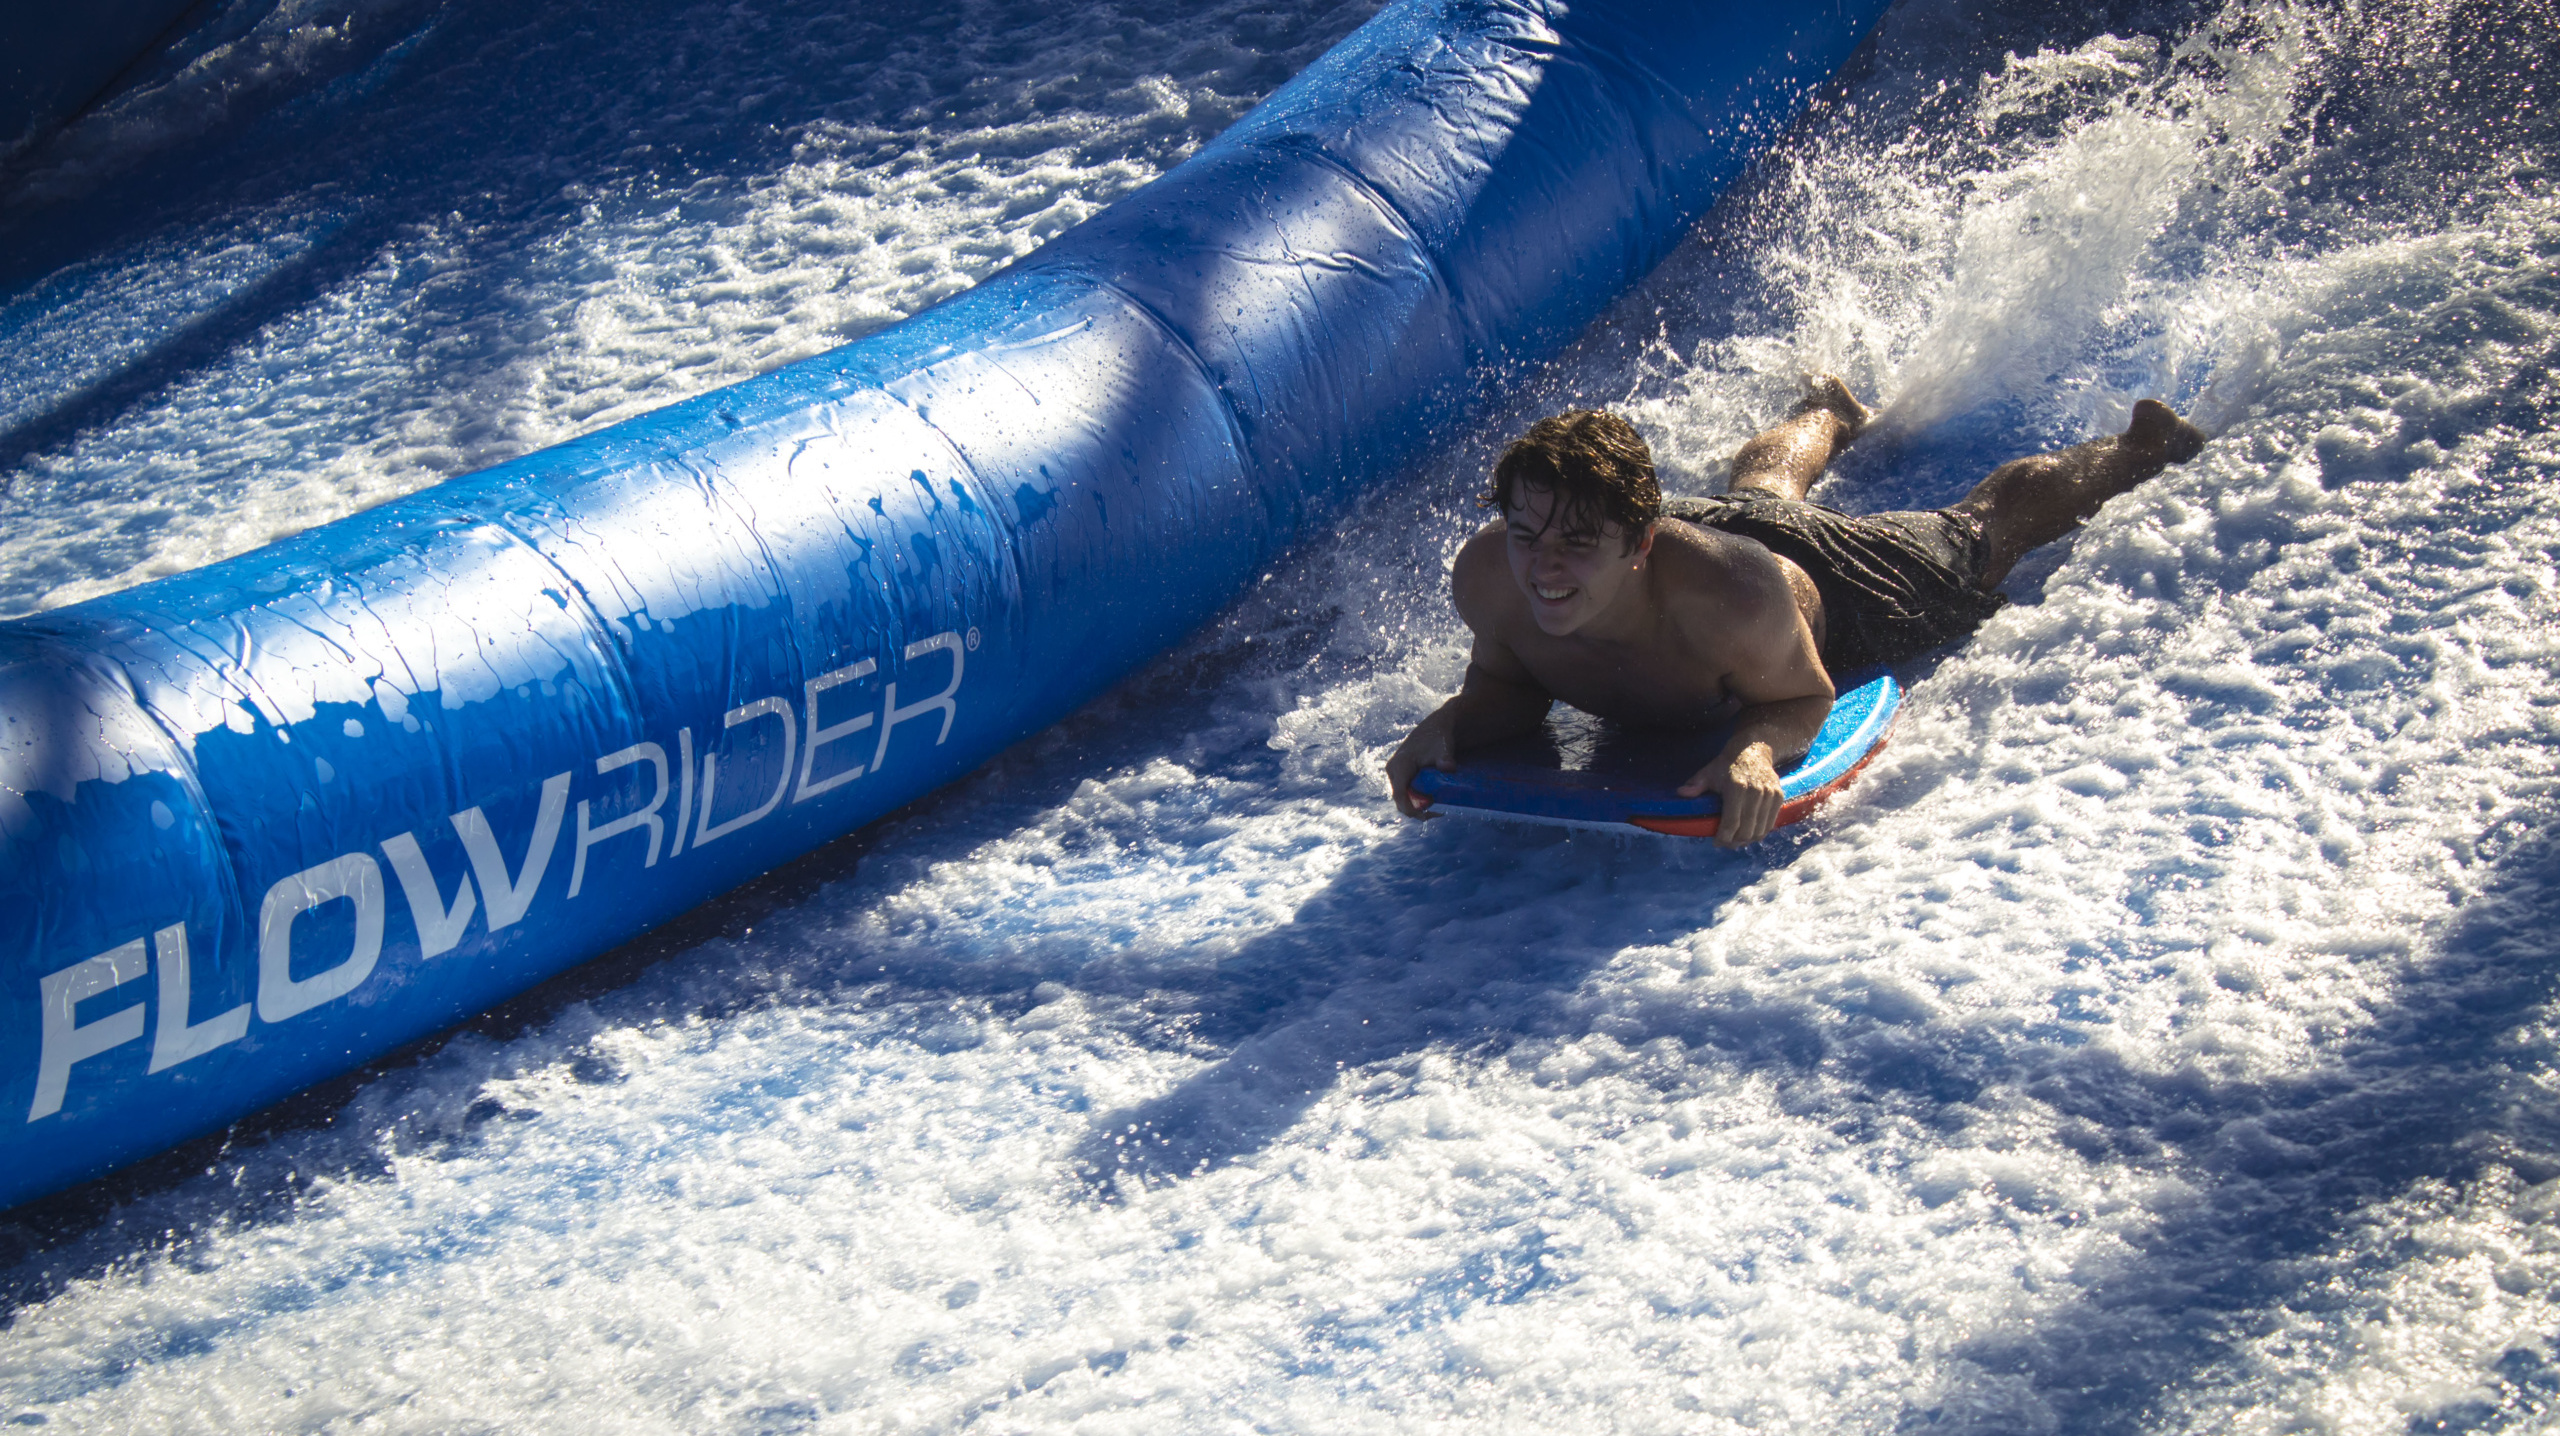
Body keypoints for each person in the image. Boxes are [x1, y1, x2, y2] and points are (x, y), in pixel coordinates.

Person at [1384, 378, 2208, 845]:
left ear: (1638, 540)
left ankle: (2144, 445)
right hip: (1726, 545)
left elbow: (1804, 697)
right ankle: (1832, 414)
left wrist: (1753, 751)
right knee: (1761, 494)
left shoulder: (1728, 602)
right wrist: (1457, 721)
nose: (1544, 564)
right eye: (1526, 533)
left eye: (1573, 541)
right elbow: (1512, 681)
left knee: (1978, 536)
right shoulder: (1493, 574)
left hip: (1821, 588)